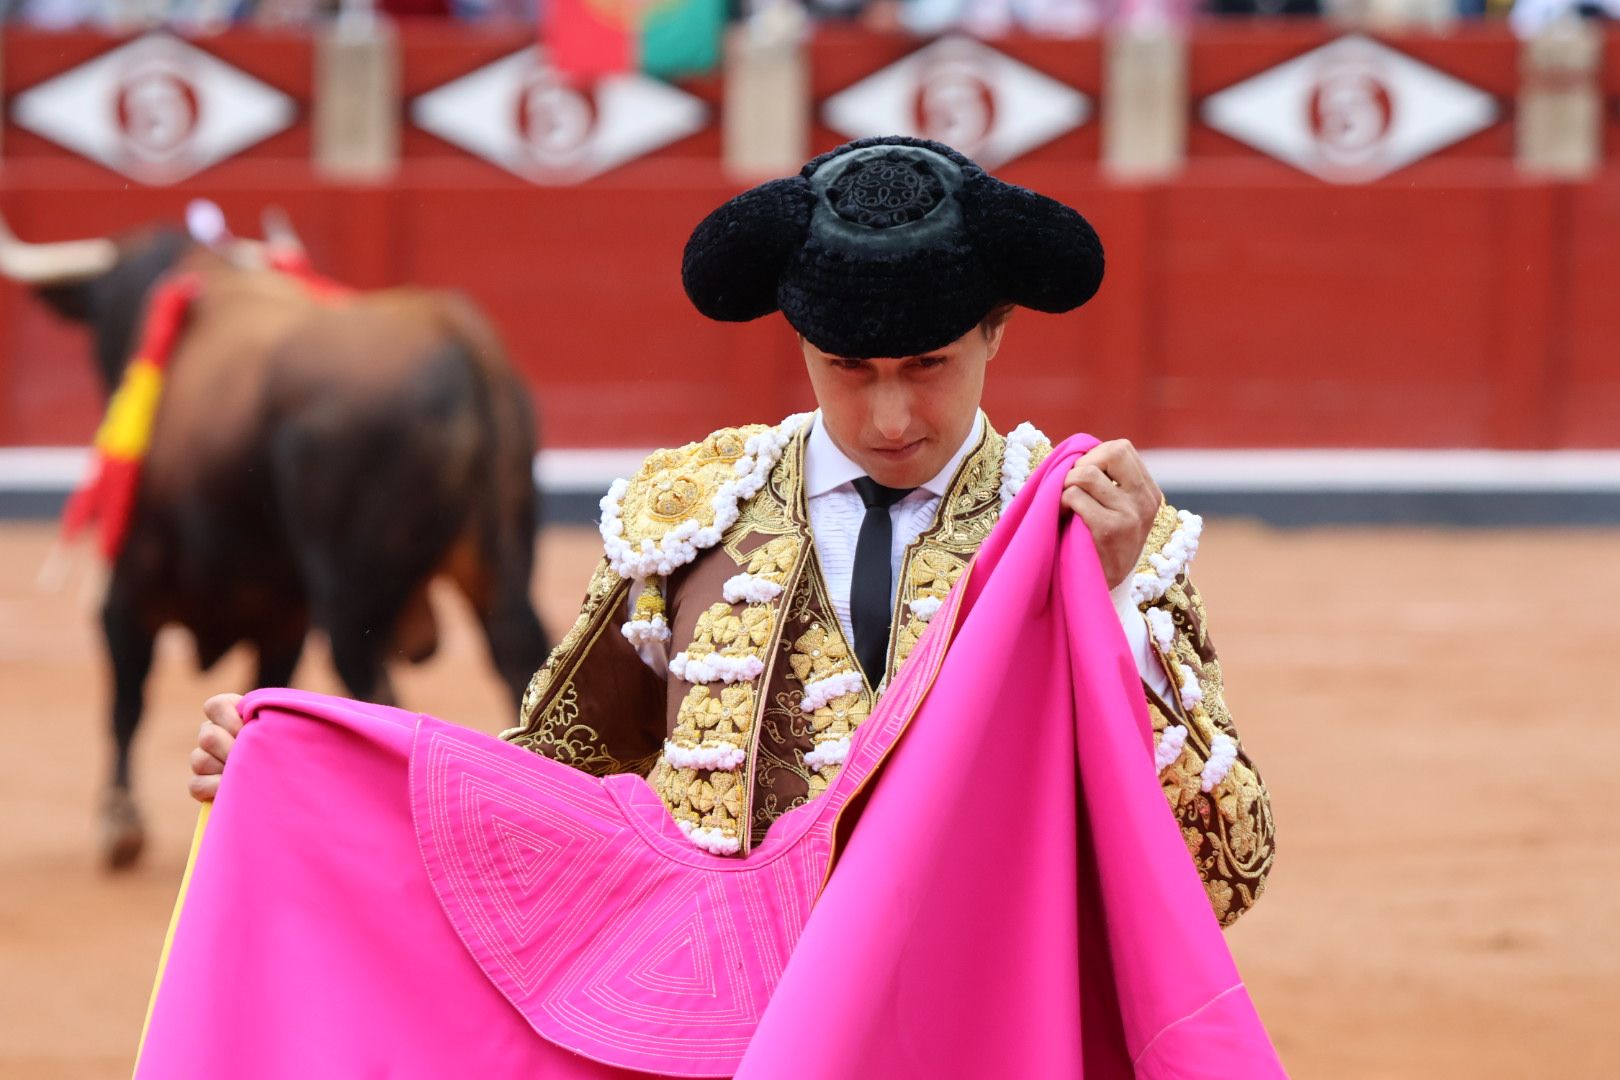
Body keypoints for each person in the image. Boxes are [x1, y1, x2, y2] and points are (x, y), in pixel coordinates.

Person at [193, 135, 1273, 926]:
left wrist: (1114, 606)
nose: (891, 418)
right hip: (733, 1035)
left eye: (928, 367)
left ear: (997, 331)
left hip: (979, 1021)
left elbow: (1227, 868)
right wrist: (300, 770)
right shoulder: (693, 515)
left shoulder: (1091, 527)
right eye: (849, 370)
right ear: (798, 339)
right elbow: (548, 793)